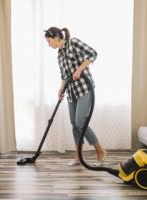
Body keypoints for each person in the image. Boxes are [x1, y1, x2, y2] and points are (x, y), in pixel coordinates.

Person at [44, 27, 106, 167]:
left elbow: (93, 53)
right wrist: (61, 89)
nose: (49, 44)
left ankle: (100, 150)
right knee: (74, 125)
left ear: (56, 37)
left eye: (49, 41)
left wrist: (79, 69)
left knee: (80, 122)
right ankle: (78, 157)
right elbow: (65, 76)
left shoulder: (74, 43)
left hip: (84, 88)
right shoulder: (59, 55)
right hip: (72, 91)